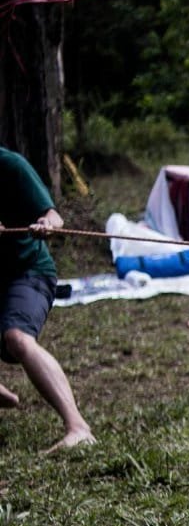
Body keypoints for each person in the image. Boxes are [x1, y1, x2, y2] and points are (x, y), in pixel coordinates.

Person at [0, 146, 95, 454]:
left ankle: (78, 428)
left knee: (17, 337)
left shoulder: (11, 166)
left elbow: (54, 216)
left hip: (28, 272)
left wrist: (47, 225)